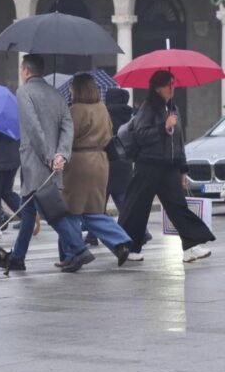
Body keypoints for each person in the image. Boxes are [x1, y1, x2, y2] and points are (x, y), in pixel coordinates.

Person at [118, 71, 215, 262]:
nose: (173, 88)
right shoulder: (148, 107)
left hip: (169, 167)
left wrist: (183, 168)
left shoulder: (173, 108)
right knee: (137, 207)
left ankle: (190, 246)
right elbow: (141, 135)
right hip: (148, 165)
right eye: (169, 84)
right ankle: (128, 247)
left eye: (174, 84)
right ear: (158, 87)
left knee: (178, 206)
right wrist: (164, 127)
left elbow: (178, 141)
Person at [9, 54, 94, 273]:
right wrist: (61, 155)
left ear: (26, 70)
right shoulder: (57, 94)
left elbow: (33, 128)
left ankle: (79, 249)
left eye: (21, 70)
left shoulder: (23, 92)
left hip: (36, 162)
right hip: (53, 161)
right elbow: (68, 127)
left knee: (50, 211)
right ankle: (17, 257)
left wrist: (48, 157)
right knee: (28, 210)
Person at [58, 73, 132, 267]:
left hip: (79, 162)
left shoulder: (75, 110)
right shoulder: (102, 109)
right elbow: (109, 135)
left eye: (73, 87)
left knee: (71, 210)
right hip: (100, 161)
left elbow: (68, 138)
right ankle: (120, 241)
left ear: (78, 89)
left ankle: (71, 253)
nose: (71, 90)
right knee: (94, 209)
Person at [83, 88, 152, 248]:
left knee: (98, 204)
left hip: (106, 164)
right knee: (124, 202)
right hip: (124, 164)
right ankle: (143, 231)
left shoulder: (103, 115)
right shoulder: (132, 117)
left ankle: (93, 235)